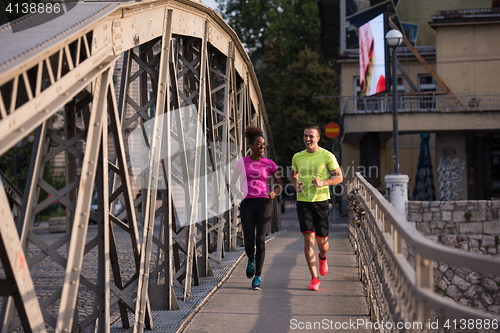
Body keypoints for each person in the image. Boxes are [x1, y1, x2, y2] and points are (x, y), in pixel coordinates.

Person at [290, 124, 343, 291]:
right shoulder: (297, 157)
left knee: (322, 243)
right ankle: (314, 277)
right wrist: (295, 184)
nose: (307, 139)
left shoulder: (327, 156)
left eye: (311, 136)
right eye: (305, 135)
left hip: (321, 202)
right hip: (303, 202)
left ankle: (323, 257)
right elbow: (293, 174)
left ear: (318, 138)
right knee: (309, 239)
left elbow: (339, 177)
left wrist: (323, 182)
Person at [230, 126, 283, 290]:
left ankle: (258, 276)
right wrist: (237, 194)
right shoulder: (241, 162)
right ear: (251, 145)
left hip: (264, 203)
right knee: (248, 241)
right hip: (247, 203)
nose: (262, 147)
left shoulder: (269, 163)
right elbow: (232, 183)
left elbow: (280, 185)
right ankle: (251, 260)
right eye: (259, 144)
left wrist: (274, 193)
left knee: (260, 240)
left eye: (264, 144)